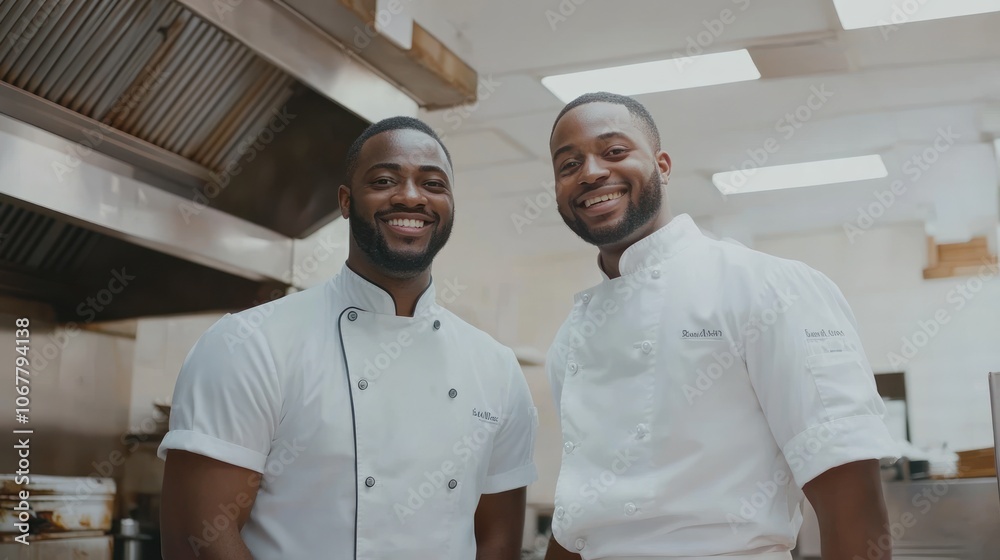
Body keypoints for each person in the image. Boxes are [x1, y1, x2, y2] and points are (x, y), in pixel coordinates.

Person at [159, 117, 538, 560]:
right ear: (345, 201)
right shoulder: (249, 343)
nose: (411, 196)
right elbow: (198, 540)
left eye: (433, 183)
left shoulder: (496, 368)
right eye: (384, 180)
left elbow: (497, 543)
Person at [542, 93, 897, 560]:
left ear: (663, 165)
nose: (590, 172)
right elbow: (581, 517)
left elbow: (853, 508)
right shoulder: (572, 337)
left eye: (614, 151)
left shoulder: (770, 288)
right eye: (568, 165)